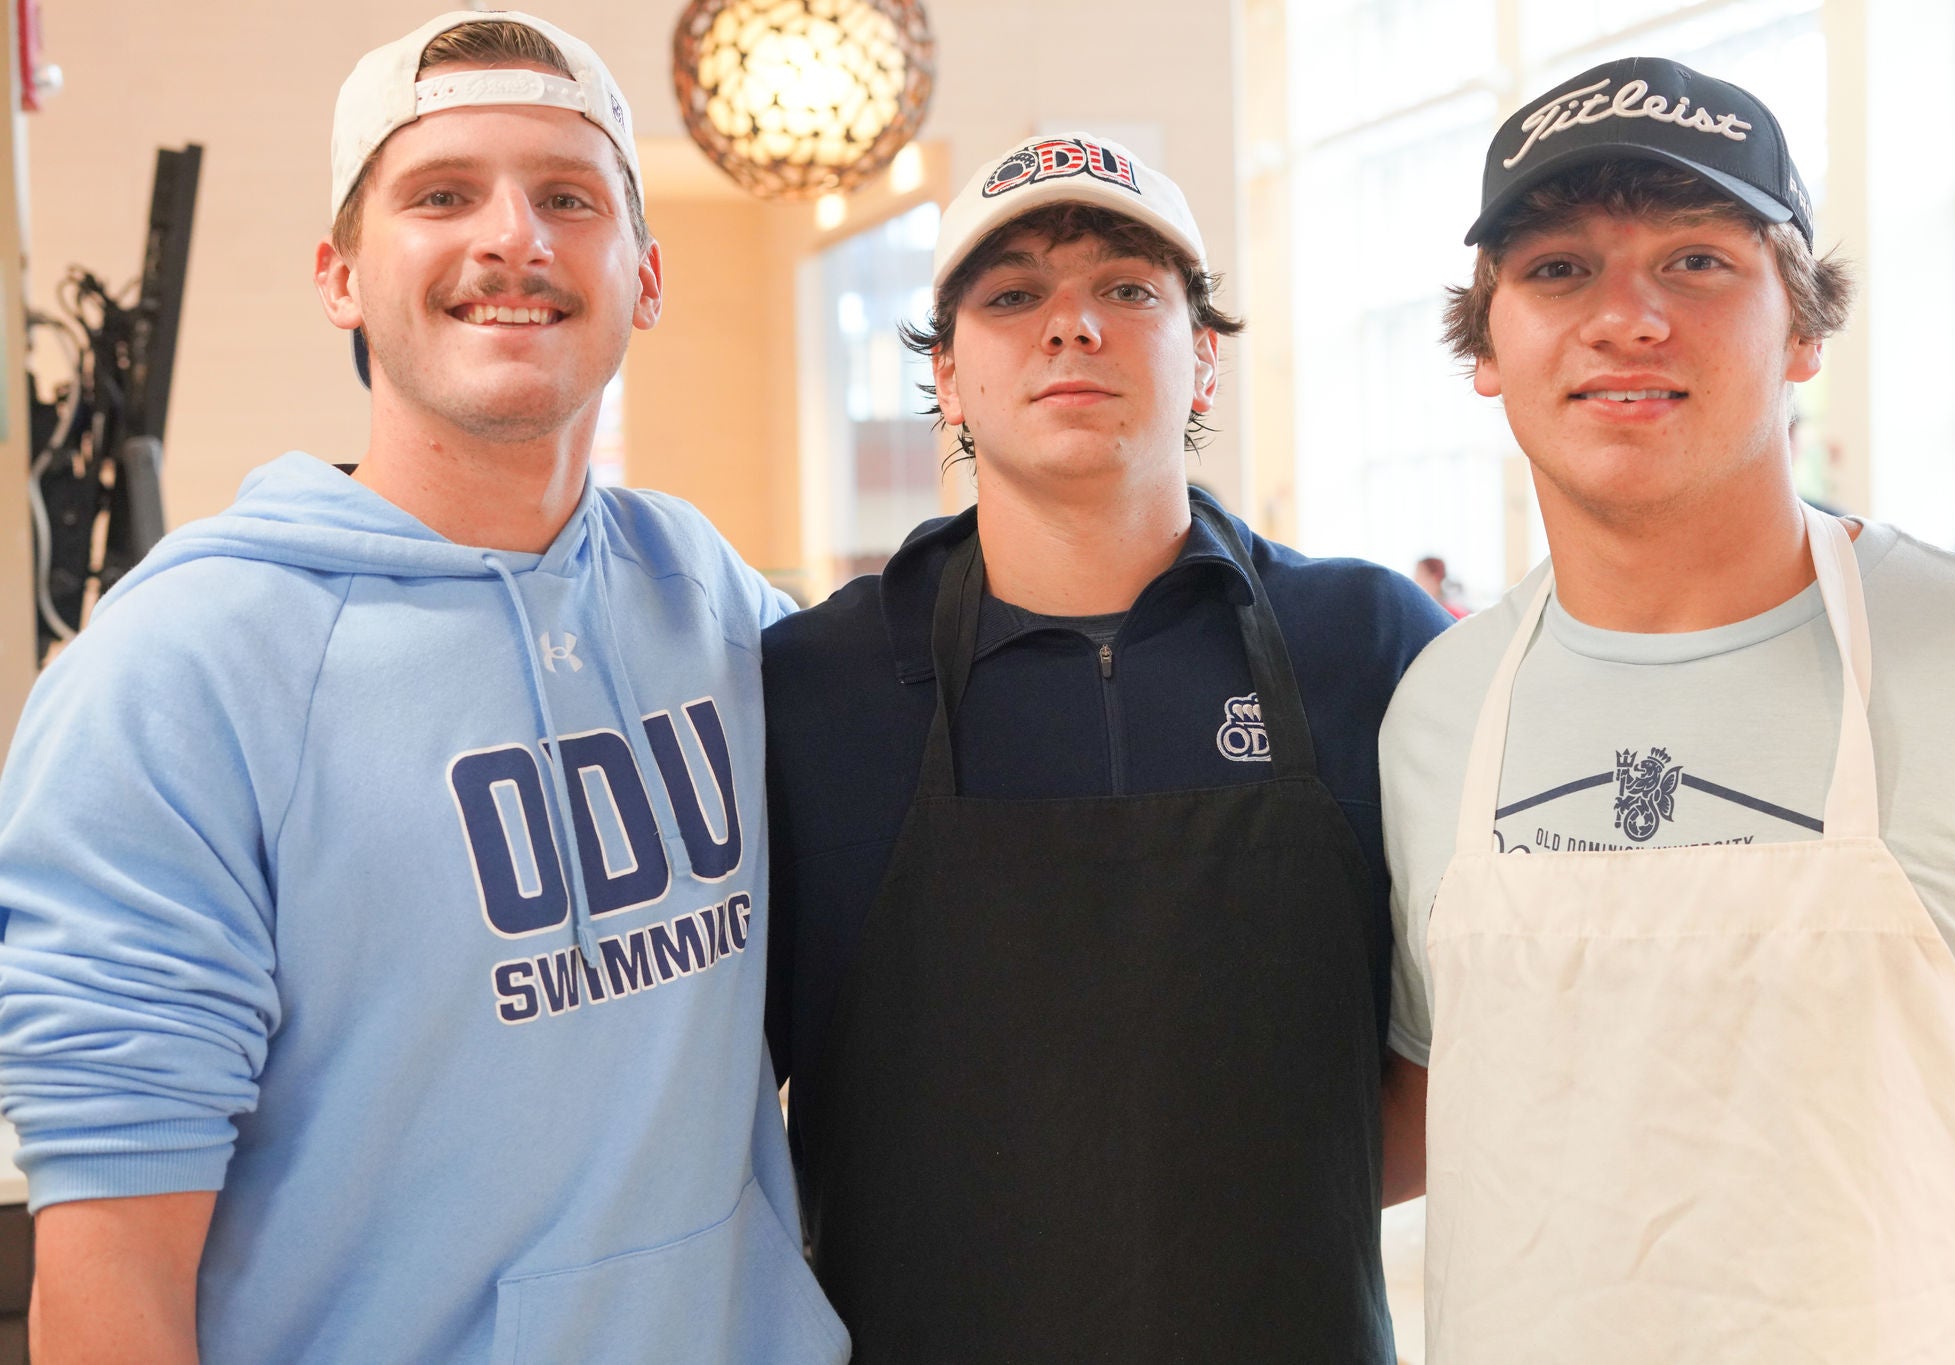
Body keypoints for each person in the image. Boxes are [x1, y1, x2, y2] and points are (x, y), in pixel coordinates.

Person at [0, 13, 848, 1363]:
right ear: (339, 276)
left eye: (568, 197)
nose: (512, 236)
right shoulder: (176, 679)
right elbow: (109, 1289)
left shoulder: (706, 593)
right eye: (441, 193)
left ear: (644, 274)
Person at [1380, 55, 1955, 1363]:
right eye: (1559, 268)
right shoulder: (1442, 715)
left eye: (1697, 260)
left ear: (1804, 329)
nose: (1625, 317)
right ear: (1486, 347)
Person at [763, 132, 1447, 1362]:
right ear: (950, 381)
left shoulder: (1367, 645)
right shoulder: (813, 687)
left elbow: (1456, 1050)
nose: (1070, 325)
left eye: (1127, 290)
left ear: (1204, 367)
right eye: (1012, 294)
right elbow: (718, 1093)